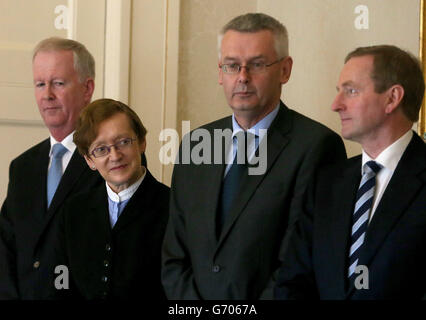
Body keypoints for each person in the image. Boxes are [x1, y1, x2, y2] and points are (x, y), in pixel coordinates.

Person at [161, 12, 347, 299]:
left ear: (285, 70)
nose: (243, 78)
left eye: (257, 65)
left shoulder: (317, 146)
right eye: (232, 66)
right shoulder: (196, 144)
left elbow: (298, 262)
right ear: (220, 73)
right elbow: (174, 256)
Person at [274, 45, 426, 300]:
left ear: (392, 98)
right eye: (339, 92)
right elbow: (293, 282)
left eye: (351, 91)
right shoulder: (327, 183)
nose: (336, 105)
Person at [0, 37, 101, 299]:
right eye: (40, 84)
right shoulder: (22, 168)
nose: (47, 95)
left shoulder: (111, 160)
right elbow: (6, 249)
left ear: (87, 88)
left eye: (58, 83)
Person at [52, 99, 169, 300]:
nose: (114, 156)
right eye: (101, 149)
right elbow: (60, 280)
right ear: (90, 160)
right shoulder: (73, 210)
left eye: (123, 142)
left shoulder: (173, 207)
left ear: (142, 142)